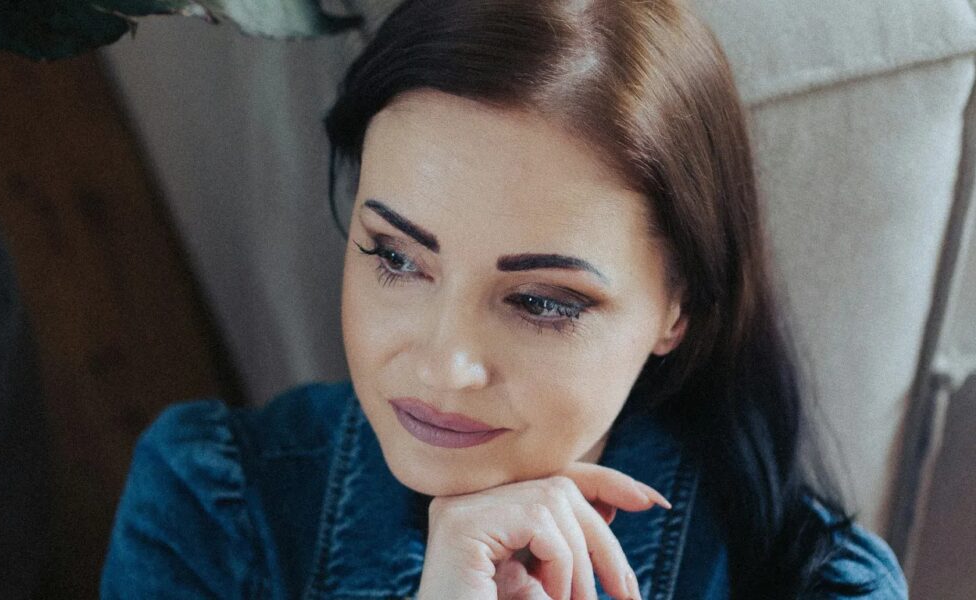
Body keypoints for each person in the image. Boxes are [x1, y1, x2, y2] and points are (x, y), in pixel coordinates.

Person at [100, 0, 909, 598]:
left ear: (679, 308)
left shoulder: (824, 586)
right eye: (396, 257)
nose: (445, 367)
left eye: (542, 302)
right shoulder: (208, 507)